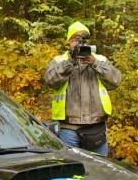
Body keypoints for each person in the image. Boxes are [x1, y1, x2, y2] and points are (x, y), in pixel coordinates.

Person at [44, 21, 121, 157]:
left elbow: (115, 81)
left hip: (97, 127)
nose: (80, 43)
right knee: (71, 170)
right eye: (75, 39)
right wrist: (70, 63)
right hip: (69, 129)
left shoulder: (100, 59)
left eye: (83, 39)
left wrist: (95, 64)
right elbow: (50, 81)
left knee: (98, 170)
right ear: (69, 42)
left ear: (89, 42)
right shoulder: (59, 60)